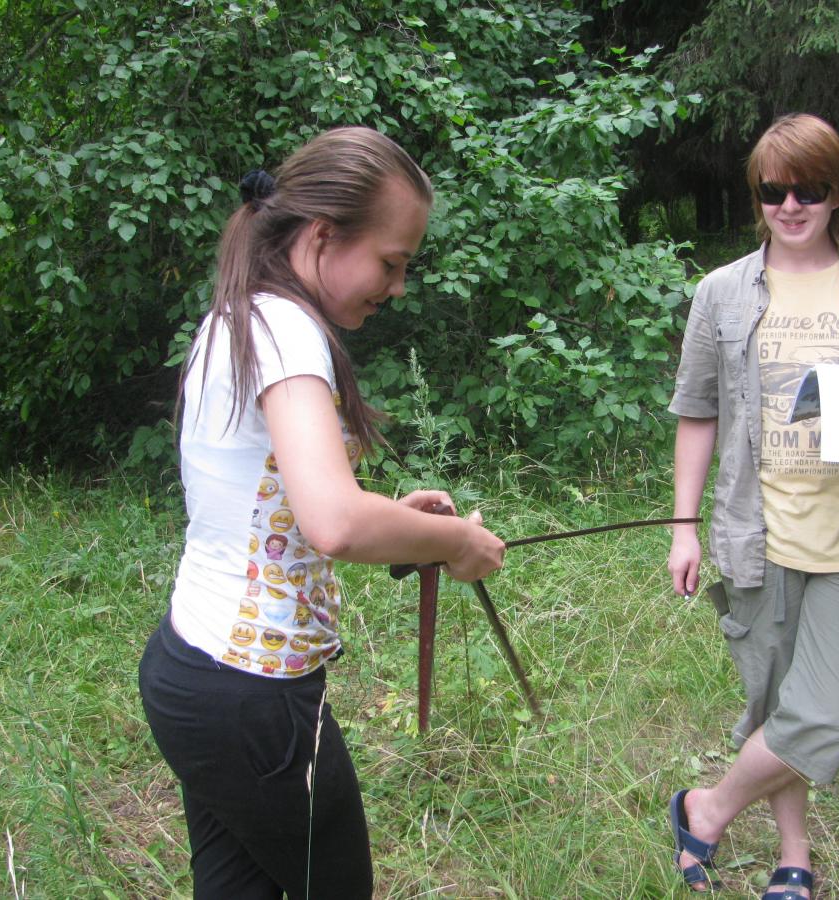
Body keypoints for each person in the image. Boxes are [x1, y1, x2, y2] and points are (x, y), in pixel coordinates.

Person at [138, 126, 506, 900]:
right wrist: (456, 541)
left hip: (192, 675)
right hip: (252, 697)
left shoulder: (238, 317)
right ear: (322, 235)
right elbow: (333, 522)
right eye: (391, 262)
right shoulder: (289, 330)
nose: (398, 286)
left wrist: (399, 517)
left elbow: (272, 500)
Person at [664, 113, 839, 897]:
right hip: (757, 533)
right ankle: (796, 856)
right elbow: (697, 410)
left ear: (837, 194)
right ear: (758, 196)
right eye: (774, 189)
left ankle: (706, 807)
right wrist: (684, 527)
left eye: (810, 188)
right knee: (777, 699)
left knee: (828, 709)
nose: (792, 205)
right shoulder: (721, 293)